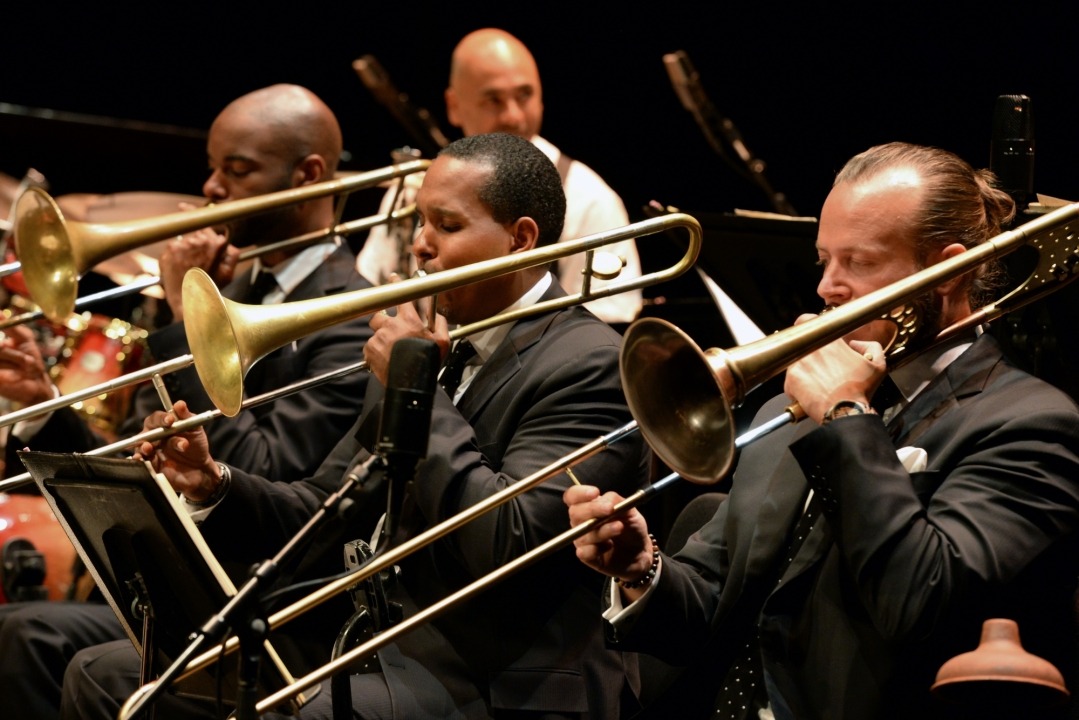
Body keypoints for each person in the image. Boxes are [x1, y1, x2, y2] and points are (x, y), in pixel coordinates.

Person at [59, 132, 652, 719]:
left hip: (499, 679)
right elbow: (323, 505)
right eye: (420, 222)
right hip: (380, 647)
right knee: (106, 677)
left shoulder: (592, 364)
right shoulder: (431, 340)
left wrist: (412, 391)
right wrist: (212, 481)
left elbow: (507, 546)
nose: (420, 246)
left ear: (521, 239)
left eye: (446, 226)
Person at [565, 142, 1079, 719]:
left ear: (946, 271)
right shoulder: (787, 418)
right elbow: (712, 607)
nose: (826, 288)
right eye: (824, 261)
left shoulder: (1030, 425)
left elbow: (920, 606)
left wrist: (846, 415)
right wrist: (642, 569)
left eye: (857, 263)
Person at [0, 83, 376, 720]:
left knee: (64, 651)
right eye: (213, 166)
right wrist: (44, 406)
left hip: (265, 605)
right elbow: (158, 463)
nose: (211, 187)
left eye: (237, 170)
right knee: (22, 633)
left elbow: (269, 468)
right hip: (182, 580)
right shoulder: (233, 287)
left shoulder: (349, 317)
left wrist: (185, 316)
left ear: (309, 174)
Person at [358, 27, 643, 326]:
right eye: (493, 100)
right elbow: (369, 288)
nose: (514, 116)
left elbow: (604, 324)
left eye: (525, 95)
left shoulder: (589, 199)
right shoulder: (418, 188)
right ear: (454, 106)